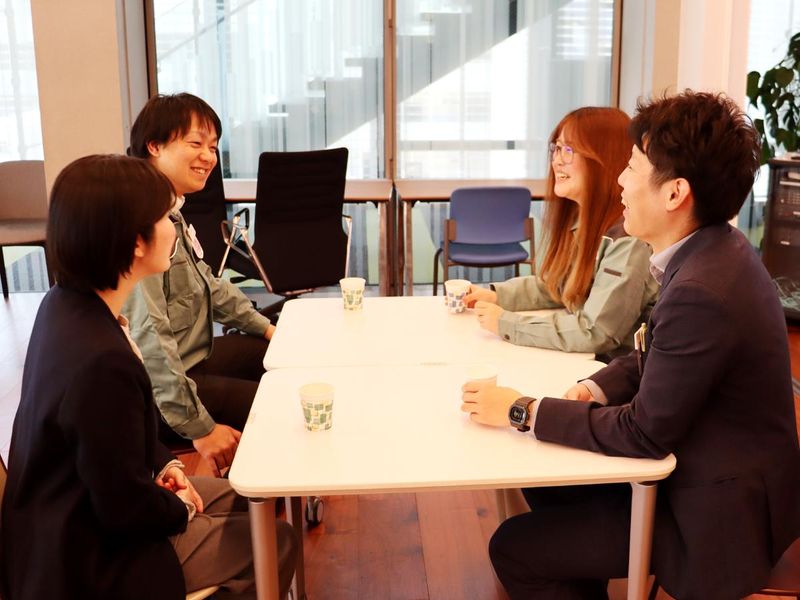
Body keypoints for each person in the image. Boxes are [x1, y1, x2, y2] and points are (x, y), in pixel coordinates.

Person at [462, 91, 800, 599]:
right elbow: (654, 354)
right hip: (702, 473)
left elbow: (644, 433)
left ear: (675, 193)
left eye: (633, 167)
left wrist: (522, 410)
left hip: (712, 518)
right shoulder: (710, 251)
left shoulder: (702, 289)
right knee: (544, 477)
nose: (620, 180)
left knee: (513, 547)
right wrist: (594, 387)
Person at [0, 155, 296, 599]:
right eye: (163, 218)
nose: (173, 227)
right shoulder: (101, 363)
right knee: (275, 542)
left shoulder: (64, 303)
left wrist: (167, 464)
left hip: (63, 522)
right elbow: (123, 509)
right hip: (90, 559)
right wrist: (178, 508)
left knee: (249, 503)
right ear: (135, 242)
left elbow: (108, 445)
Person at [124, 93, 274, 476]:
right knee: (278, 405)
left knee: (278, 355)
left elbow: (208, 283)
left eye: (213, 147)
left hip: (194, 357)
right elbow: (150, 337)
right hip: (161, 390)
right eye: (195, 143)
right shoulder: (141, 220)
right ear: (154, 146)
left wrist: (266, 328)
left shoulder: (171, 211)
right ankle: (263, 500)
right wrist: (200, 428)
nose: (208, 156)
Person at [464, 107, 658, 356]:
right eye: (556, 149)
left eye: (568, 150)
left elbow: (596, 332)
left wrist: (506, 323)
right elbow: (561, 286)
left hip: (610, 369)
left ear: (604, 158)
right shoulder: (585, 223)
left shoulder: (629, 239)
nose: (556, 160)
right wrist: (496, 295)